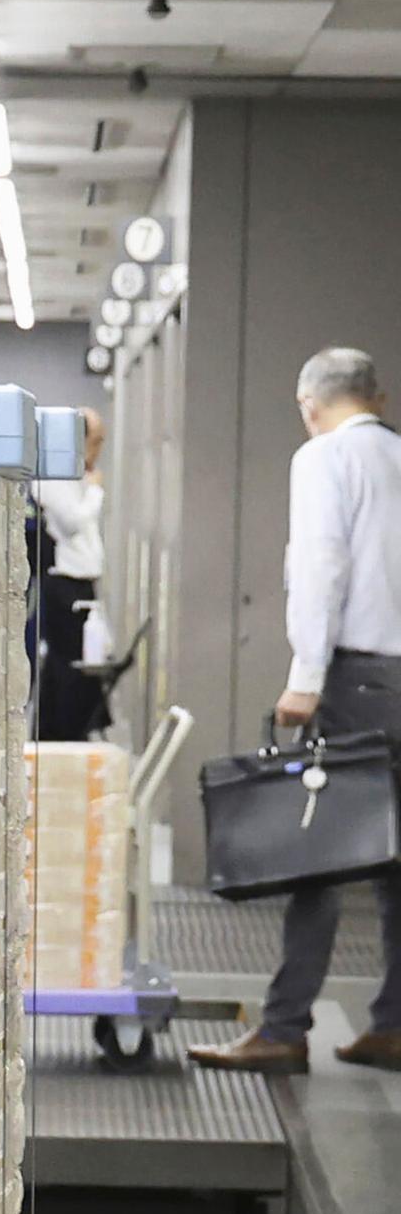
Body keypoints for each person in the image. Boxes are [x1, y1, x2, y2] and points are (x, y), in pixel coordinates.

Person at [192, 347, 401, 1074]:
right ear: (377, 396)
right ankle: (393, 1025)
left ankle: (284, 1029)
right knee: (394, 862)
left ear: (308, 404)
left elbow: (322, 566)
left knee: (317, 851)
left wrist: (305, 678)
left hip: (356, 680)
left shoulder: (322, 459)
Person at [30, 405, 110, 740]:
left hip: (80, 581)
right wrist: (94, 489)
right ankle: (62, 734)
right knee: (68, 668)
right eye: (96, 441)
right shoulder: (53, 476)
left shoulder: (74, 474)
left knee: (83, 667)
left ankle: (76, 729)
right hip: (64, 583)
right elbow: (73, 523)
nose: (98, 450)